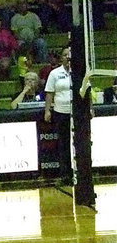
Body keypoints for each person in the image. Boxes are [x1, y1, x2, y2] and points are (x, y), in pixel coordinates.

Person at [44, 47, 73, 184]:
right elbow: (49, 92)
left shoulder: (79, 72)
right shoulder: (55, 74)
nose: (68, 57)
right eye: (65, 55)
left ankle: (79, 172)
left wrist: (90, 108)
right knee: (64, 143)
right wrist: (47, 110)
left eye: (70, 54)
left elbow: (87, 89)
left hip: (77, 113)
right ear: (61, 57)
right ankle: (65, 174)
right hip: (61, 112)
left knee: (79, 143)